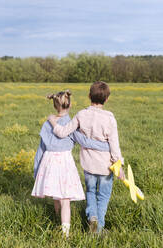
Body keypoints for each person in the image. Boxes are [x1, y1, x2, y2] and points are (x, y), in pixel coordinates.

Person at [48, 81, 125, 234]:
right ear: (107, 99)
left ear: (89, 96)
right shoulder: (109, 118)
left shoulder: (81, 114)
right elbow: (114, 144)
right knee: (103, 196)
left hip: (88, 164)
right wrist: (119, 164)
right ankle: (98, 228)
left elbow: (63, 132)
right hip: (106, 165)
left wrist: (52, 122)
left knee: (90, 191)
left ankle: (93, 217)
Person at [32, 90, 110, 238]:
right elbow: (85, 142)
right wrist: (106, 146)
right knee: (65, 199)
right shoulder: (72, 123)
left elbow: (40, 149)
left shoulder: (47, 124)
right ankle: (65, 233)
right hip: (64, 163)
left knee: (56, 195)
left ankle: (57, 221)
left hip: (48, 162)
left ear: (55, 105)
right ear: (70, 104)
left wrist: (36, 170)